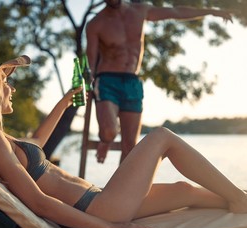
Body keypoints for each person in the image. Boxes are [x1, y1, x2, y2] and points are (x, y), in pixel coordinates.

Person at [0, 54, 247, 228]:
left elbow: (36, 142)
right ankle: (243, 200)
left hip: (99, 199)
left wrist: (66, 101)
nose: (12, 89)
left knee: (185, 189)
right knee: (161, 137)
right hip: (99, 210)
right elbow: (38, 202)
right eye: (6, 81)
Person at [86, 0, 233, 163]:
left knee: (130, 146)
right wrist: (87, 83)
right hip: (107, 80)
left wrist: (211, 11)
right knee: (108, 132)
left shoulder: (140, 11)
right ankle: (105, 141)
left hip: (132, 82)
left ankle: (122, 188)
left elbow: (175, 12)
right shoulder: (96, 24)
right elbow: (91, 62)